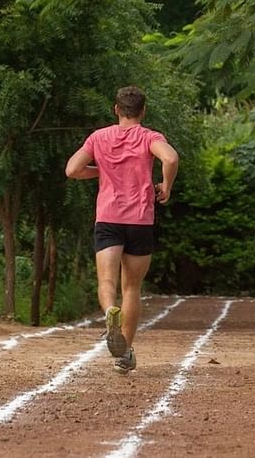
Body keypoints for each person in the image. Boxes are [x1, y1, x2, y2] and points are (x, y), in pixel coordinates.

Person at [65, 85, 179, 374]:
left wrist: (100, 172)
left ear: (116, 109)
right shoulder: (150, 137)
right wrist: (166, 186)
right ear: (143, 110)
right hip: (140, 220)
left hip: (108, 218)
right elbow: (171, 158)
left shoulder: (98, 138)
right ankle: (124, 353)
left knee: (107, 282)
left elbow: (72, 170)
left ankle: (108, 313)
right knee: (131, 287)